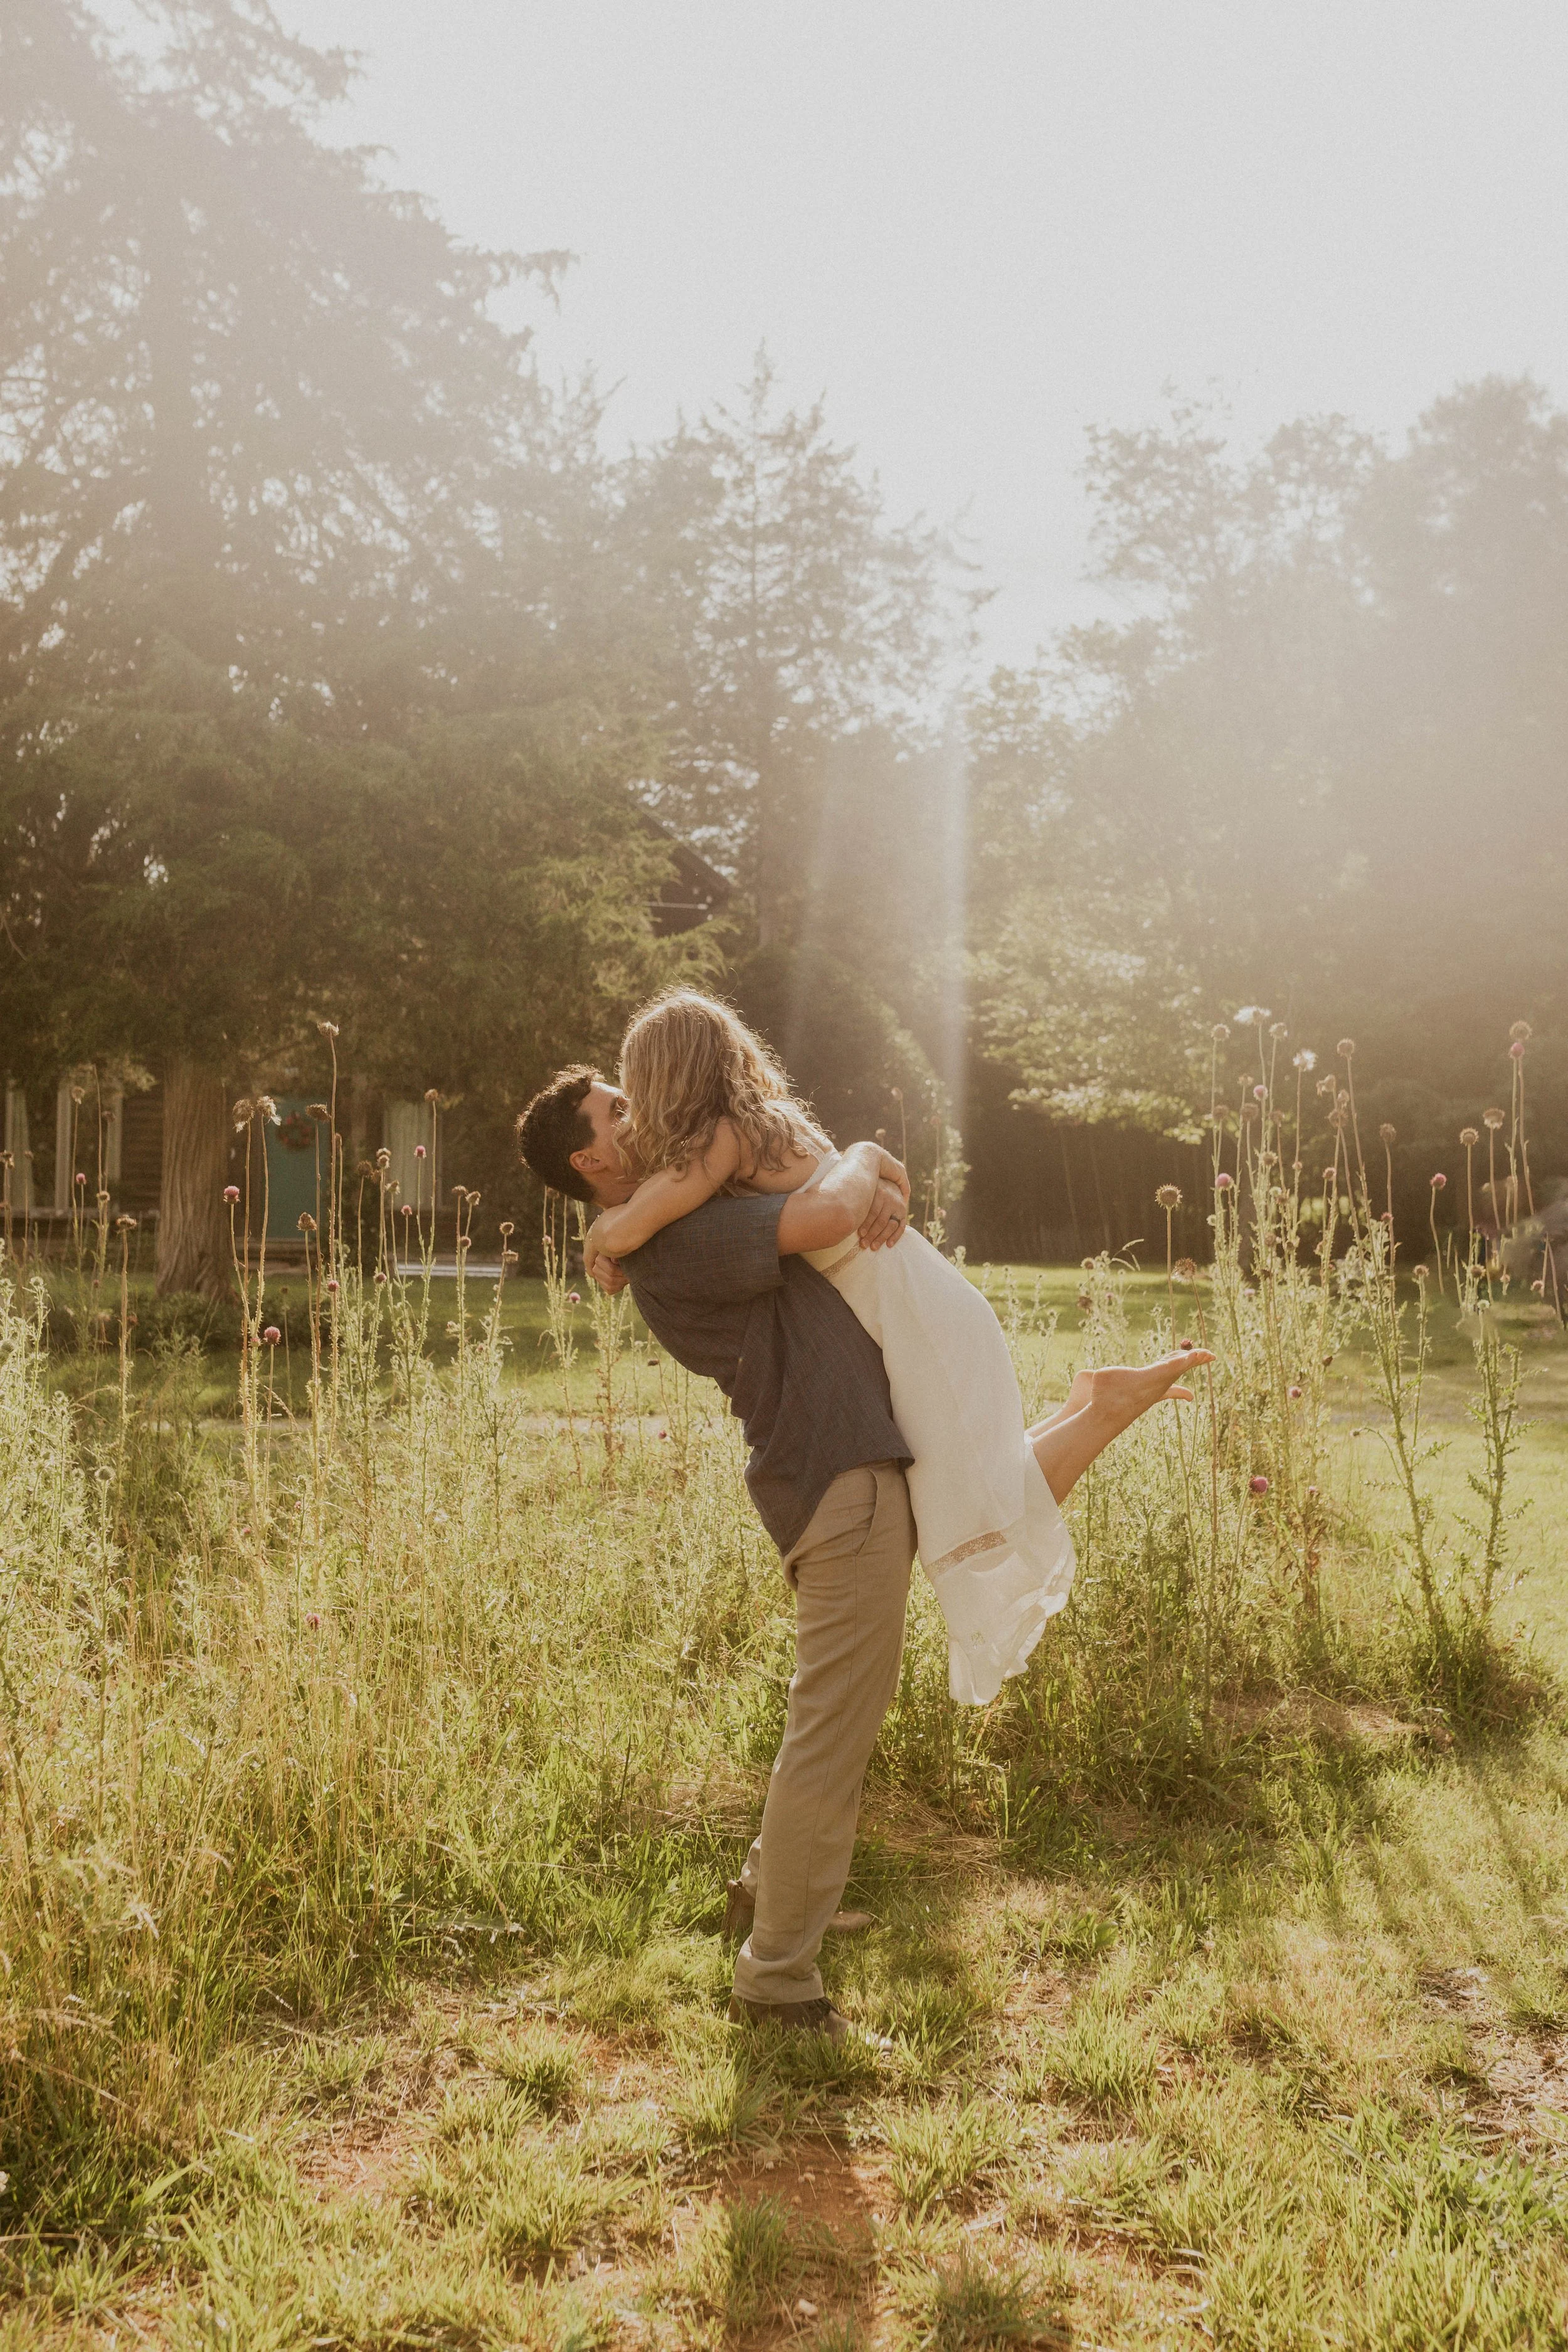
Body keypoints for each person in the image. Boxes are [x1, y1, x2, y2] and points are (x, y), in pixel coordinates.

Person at [518, 1046, 1207, 2044]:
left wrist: (874, 1159)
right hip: (836, 1479)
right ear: (591, 1162)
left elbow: (812, 1182)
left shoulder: (671, 1218)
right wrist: (868, 1167)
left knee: (968, 1531)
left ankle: (769, 1896)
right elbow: (827, 1209)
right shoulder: (679, 1242)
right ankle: (778, 1985)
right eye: (616, 1108)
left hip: (851, 1460)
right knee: (831, 1734)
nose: (640, 1107)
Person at [581, 990, 1198, 1705]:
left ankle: (1103, 1410)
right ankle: (1093, 1405)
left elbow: (638, 1224)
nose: (633, 1106)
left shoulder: (719, 1143)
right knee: (964, 1488)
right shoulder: (760, 1124)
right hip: (921, 1302)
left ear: (665, 1078)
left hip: (917, 1320)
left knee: (967, 1507)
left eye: (636, 1086)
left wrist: (602, 1238)